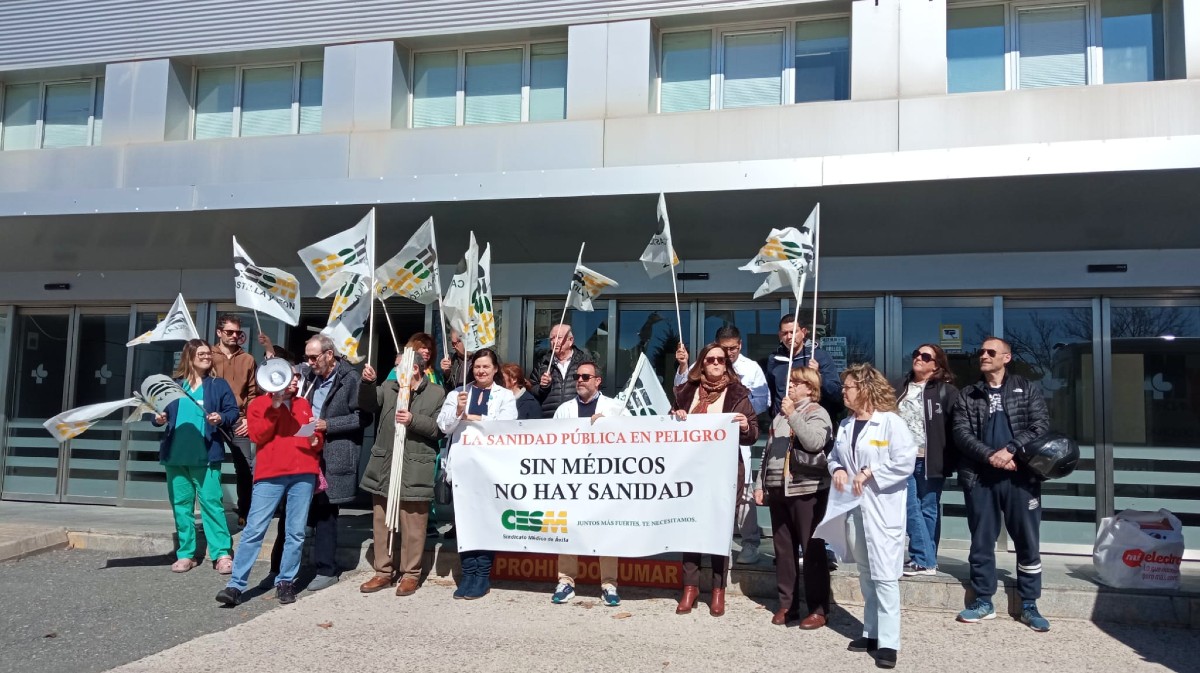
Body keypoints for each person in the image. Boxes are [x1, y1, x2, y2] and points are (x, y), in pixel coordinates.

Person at [819, 364, 915, 669]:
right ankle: (871, 632)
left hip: (882, 509)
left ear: (866, 388)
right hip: (855, 509)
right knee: (864, 572)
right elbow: (834, 457)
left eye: (849, 387)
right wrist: (838, 470)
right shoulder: (846, 425)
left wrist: (872, 472)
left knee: (885, 576)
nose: (844, 392)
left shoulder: (890, 423)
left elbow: (905, 461)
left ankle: (889, 642)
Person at [952, 336, 1051, 632]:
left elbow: (1040, 425)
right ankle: (983, 600)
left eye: (990, 351)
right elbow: (961, 433)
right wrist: (991, 456)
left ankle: (1030, 604)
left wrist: (1010, 450)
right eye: (981, 350)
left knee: (1027, 542)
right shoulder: (968, 394)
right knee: (981, 542)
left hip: (1022, 477)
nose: (983, 355)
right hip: (981, 478)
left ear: (1006, 357)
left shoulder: (1026, 388)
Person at [216, 365, 323, 606]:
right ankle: (235, 585)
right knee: (255, 529)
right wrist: (275, 408)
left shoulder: (303, 404)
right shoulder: (258, 405)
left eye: (297, 377)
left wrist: (316, 440)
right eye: (292, 377)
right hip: (270, 474)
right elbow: (258, 436)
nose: (296, 380)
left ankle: (286, 581)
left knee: (295, 532)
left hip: (302, 473)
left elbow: (315, 438)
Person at [671, 342, 759, 617]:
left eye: (721, 359)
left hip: (725, 472)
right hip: (691, 472)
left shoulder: (738, 394)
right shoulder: (687, 392)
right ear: (702, 363)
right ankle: (690, 588)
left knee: (719, 531)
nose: (716, 363)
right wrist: (676, 416)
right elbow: (669, 423)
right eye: (710, 359)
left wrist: (745, 426)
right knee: (691, 530)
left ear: (727, 364)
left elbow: (753, 432)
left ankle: (718, 591)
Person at [675, 324, 769, 565]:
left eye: (733, 349)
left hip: (737, 444)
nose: (728, 355)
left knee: (743, 497)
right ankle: (707, 544)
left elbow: (762, 400)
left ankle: (749, 543)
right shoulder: (705, 364)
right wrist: (684, 366)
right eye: (724, 349)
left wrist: (732, 416)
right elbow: (683, 392)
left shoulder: (752, 369)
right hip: (702, 452)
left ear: (740, 345)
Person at [357, 351, 446, 597]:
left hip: (416, 466)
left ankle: (411, 574)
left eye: (400, 367)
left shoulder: (436, 393)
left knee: (414, 524)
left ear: (416, 369)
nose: (396, 372)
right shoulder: (388, 387)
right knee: (382, 521)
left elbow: (440, 429)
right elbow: (367, 405)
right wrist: (367, 383)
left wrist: (413, 420)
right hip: (385, 466)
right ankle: (383, 571)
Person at [753, 367, 833, 629]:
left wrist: (794, 416)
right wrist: (760, 483)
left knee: (812, 551)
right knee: (784, 551)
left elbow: (814, 443)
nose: (790, 386)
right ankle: (787, 604)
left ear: (809, 388)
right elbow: (768, 452)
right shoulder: (780, 414)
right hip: (778, 490)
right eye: (790, 382)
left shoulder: (817, 413)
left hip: (807, 490)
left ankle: (818, 609)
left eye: (797, 382)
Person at [151, 339, 239, 574]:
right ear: (189, 357)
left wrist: (220, 417)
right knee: (181, 506)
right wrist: (158, 418)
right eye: (201, 353)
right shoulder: (174, 385)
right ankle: (186, 554)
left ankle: (221, 554)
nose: (207, 357)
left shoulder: (218, 385)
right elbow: (157, 412)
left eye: (208, 353)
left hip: (206, 455)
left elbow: (232, 411)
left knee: (212, 505)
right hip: (176, 456)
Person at [437, 348, 517, 599]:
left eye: (486, 367)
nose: (481, 371)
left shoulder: (505, 396)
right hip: (462, 467)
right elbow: (444, 426)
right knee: (464, 524)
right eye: (477, 367)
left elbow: (505, 428)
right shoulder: (457, 394)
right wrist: (458, 411)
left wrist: (470, 417)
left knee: (485, 523)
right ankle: (467, 573)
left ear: (495, 369)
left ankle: (482, 575)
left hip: (488, 469)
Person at [549, 361, 626, 607]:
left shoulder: (614, 408)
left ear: (597, 381)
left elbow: (634, 437)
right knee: (570, 529)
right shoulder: (564, 410)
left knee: (606, 530)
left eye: (585, 376)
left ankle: (609, 584)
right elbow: (552, 442)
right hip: (572, 481)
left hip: (604, 481)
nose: (579, 380)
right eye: (576, 376)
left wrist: (610, 426)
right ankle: (566, 581)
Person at [299, 334, 364, 591]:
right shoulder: (307, 376)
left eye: (314, 357)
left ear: (329, 355)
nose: (310, 362)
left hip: (332, 452)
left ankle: (326, 568)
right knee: (303, 509)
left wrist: (329, 425)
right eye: (307, 357)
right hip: (306, 451)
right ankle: (291, 566)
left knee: (326, 511)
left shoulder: (350, 379)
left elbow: (362, 418)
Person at [892, 344, 958, 576]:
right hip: (902, 458)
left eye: (925, 356)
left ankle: (926, 559)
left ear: (936, 364)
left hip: (931, 458)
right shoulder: (899, 386)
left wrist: (952, 458)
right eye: (916, 354)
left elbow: (955, 428)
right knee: (910, 505)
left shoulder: (946, 391)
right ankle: (925, 558)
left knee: (928, 507)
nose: (918, 358)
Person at [210, 314, 257, 526]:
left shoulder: (248, 359)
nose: (234, 336)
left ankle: (245, 511)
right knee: (208, 466)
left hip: (238, 419)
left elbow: (253, 393)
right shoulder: (207, 355)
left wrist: (249, 418)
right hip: (210, 419)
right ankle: (212, 514)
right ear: (219, 332)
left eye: (238, 332)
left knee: (246, 467)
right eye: (229, 332)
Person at [764, 315, 842, 418]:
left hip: (810, 421)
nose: (789, 337)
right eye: (785, 333)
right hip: (782, 423)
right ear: (779, 335)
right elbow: (770, 392)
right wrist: (774, 415)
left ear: (803, 332)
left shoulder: (818, 356)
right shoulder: (774, 359)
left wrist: (818, 376)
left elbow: (836, 393)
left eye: (793, 332)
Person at [528, 323, 594, 418]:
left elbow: (594, 387)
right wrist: (543, 387)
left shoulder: (583, 362)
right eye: (552, 339)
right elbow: (532, 391)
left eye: (559, 338)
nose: (554, 342)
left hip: (577, 417)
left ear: (570, 341)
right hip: (550, 419)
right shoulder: (543, 363)